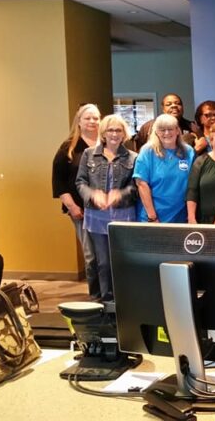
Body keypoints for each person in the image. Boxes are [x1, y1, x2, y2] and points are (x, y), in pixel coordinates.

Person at [75, 115, 138, 301]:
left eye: (118, 130)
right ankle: (101, 301)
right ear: (103, 133)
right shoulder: (89, 154)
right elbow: (80, 182)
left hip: (124, 217)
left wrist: (120, 194)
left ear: (124, 133)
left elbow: (136, 186)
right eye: (110, 130)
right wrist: (92, 194)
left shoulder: (134, 157)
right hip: (96, 217)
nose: (114, 134)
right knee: (101, 263)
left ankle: (122, 302)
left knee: (121, 262)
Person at [52, 103, 100, 299]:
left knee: (107, 254)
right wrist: (71, 206)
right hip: (81, 210)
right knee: (91, 254)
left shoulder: (107, 143)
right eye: (87, 118)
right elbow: (58, 181)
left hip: (107, 210)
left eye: (95, 118)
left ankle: (110, 291)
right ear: (79, 121)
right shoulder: (68, 147)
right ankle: (96, 295)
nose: (92, 121)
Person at [133, 114, 195, 223]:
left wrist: (190, 215)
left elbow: (193, 184)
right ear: (156, 132)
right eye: (162, 130)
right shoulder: (147, 151)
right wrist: (152, 217)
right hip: (153, 216)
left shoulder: (188, 151)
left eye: (170, 129)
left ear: (177, 131)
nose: (167, 133)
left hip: (180, 215)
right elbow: (142, 184)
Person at [129, 93, 199, 151]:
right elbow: (138, 149)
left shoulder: (191, 126)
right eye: (168, 104)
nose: (174, 106)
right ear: (163, 109)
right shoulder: (149, 127)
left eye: (178, 103)